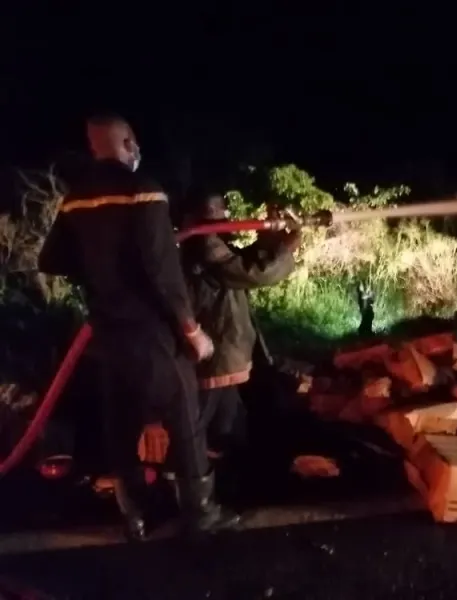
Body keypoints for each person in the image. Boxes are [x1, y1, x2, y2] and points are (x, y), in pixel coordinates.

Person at [37, 113, 240, 541]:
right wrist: (191, 330)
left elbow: (50, 260)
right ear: (128, 143)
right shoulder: (143, 190)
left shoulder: (76, 199)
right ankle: (202, 514)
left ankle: (137, 517)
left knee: (122, 422)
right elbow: (164, 272)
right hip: (153, 332)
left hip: (107, 332)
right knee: (184, 416)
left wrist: (98, 268)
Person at [179, 190, 301, 462]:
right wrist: (285, 249)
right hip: (216, 356)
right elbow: (252, 272)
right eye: (220, 214)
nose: (227, 220)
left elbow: (241, 263)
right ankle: (187, 477)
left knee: (226, 427)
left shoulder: (206, 245)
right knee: (200, 430)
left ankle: (220, 473)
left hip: (223, 357)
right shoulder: (205, 245)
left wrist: (268, 240)